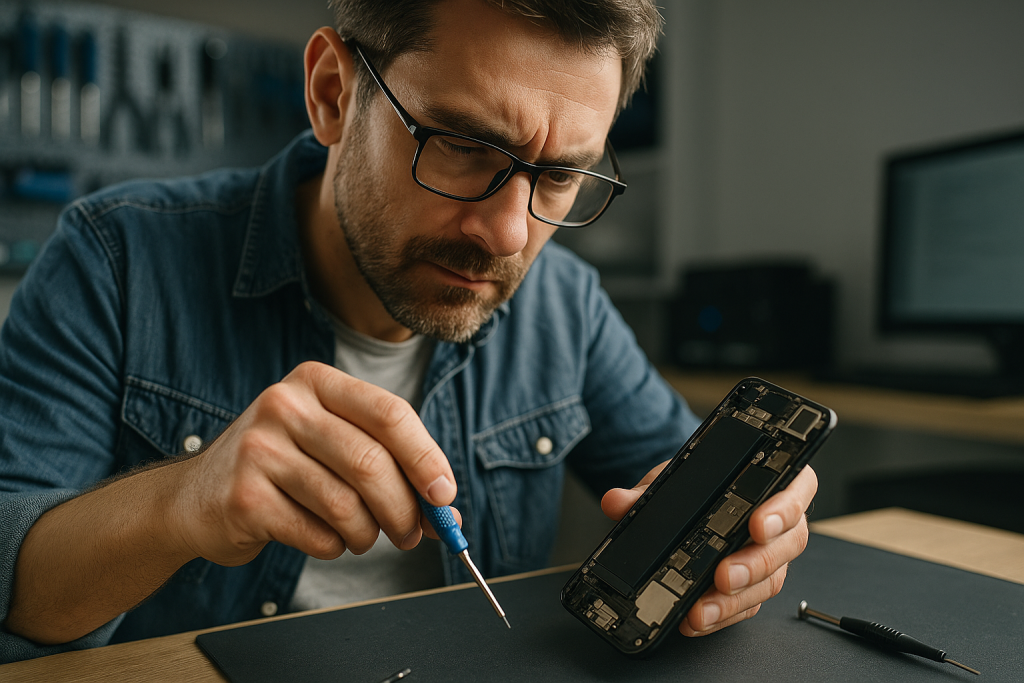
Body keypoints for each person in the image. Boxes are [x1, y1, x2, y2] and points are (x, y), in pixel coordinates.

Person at [0, 0, 817, 664]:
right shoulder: (117, 259)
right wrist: (182, 500)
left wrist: (750, 528)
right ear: (332, 92)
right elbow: (14, 584)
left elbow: (684, 477)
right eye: (463, 145)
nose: (506, 234)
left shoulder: (565, 305)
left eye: (560, 175)